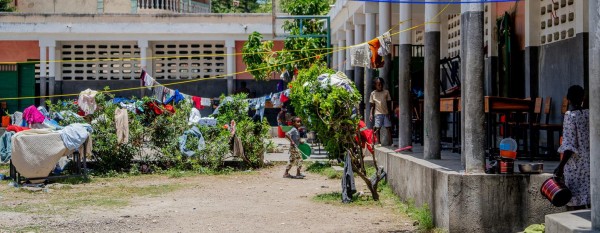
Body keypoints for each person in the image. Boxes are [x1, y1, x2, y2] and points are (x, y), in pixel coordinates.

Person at [555, 85, 590, 211]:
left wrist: (561, 166)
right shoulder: (589, 114)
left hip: (575, 166)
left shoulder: (570, 116)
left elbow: (569, 146)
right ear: (582, 98)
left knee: (574, 202)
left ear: (568, 99)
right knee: (589, 199)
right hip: (589, 163)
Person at [369, 77, 392, 145]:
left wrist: (390, 113)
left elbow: (389, 103)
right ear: (375, 85)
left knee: (388, 128)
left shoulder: (386, 92)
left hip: (386, 113)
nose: (380, 86)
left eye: (381, 84)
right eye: (378, 84)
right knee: (377, 128)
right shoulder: (373, 93)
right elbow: (372, 106)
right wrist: (371, 114)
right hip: (377, 113)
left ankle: (391, 143)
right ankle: (378, 142)